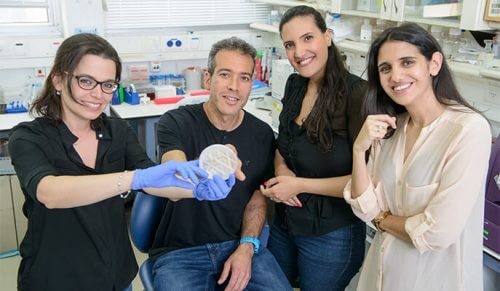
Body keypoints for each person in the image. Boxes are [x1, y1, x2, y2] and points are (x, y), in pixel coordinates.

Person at [8, 33, 234, 291]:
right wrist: (132, 178)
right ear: (59, 79)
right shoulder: (28, 137)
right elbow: (49, 192)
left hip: (115, 273)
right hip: (56, 277)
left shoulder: (116, 130)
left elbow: (154, 181)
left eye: (108, 84)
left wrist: (197, 188)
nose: (97, 94)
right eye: (86, 81)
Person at [343, 23, 491, 291]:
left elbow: (436, 233)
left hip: (434, 281)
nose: (396, 76)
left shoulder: (467, 130)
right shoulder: (390, 130)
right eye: (385, 68)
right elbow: (363, 206)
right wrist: (358, 149)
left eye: (407, 62)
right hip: (379, 276)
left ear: (434, 64)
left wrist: (382, 219)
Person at [151, 37, 292, 291]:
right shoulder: (176, 122)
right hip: (181, 253)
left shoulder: (261, 134)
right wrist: (217, 160)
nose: (234, 87)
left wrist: (247, 247)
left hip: (237, 244)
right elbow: (174, 179)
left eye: (244, 78)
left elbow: (257, 198)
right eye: (225, 74)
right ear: (208, 78)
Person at [259, 6, 366, 290]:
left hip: (331, 233)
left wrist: (299, 185)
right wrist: (283, 172)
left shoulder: (358, 95)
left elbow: (366, 181)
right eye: (290, 44)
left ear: (327, 37)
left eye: (308, 38)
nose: (299, 52)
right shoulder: (295, 83)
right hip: (286, 221)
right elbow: (285, 142)